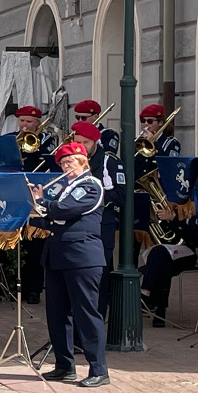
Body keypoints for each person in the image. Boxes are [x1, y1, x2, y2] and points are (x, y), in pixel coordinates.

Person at [31, 142, 110, 388]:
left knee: (86, 314)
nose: (66, 167)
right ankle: (64, 365)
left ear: (83, 162)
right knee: (57, 314)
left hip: (82, 257)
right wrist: (30, 212)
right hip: (58, 256)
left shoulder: (90, 185)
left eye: (70, 163)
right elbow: (54, 223)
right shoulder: (66, 188)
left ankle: (99, 369)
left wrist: (42, 203)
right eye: (63, 164)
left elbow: (65, 211)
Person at [69, 121, 126, 317]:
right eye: (78, 142)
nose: (81, 147)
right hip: (76, 228)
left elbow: (120, 194)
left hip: (102, 227)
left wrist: (91, 197)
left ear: (95, 142)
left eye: (85, 142)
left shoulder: (109, 161)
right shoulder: (72, 161)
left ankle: (95, 326)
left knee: (98, 281)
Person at [10, 106, 54, 304]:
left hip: (36, 192)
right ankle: (14, 283)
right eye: (22, 121)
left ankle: (34, 288)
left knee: (35, 243)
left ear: (37, 123)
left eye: (29, 122)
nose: (24, 125)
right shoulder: (11, 138)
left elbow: (50, 164)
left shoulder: (46, 140)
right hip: (14, 192)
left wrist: (36, 149)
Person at [134, 104, 180, 179]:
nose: (146, 124)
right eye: (143, 121)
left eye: (150, 121)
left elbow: (169, 165)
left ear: (160, 123)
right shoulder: (140, 142)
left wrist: (154, 142)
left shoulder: (171, 143)